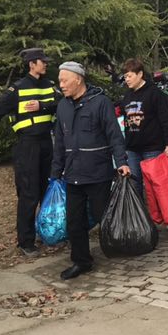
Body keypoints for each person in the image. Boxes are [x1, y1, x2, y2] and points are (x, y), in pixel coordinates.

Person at [0, 48, 57, 257]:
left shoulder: (50, 85)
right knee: (29, 193)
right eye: (42, 61)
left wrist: (42, 105)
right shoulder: (18, 88)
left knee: (46, 190)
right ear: (31, 64)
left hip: (47, 143)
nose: (45, 64)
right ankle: (26, 241)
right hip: (27, 145)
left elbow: (61, 103)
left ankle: (46, 232)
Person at [51, 62, 129, 280]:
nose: (61, 84)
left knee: (105, 215)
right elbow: (59, 142)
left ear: (78, 79)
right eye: (59, 80)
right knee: (74, 222)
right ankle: (81, 261)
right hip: (72, 174)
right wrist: (55, 172)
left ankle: (120, 245)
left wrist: (121, 162)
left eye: (64, 80)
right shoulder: (63, 106)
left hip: (97, 173)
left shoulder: (100, 102)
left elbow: (114, 135)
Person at [119, 58, 168, 198]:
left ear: (140, 74)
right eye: (125, 77)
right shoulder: (127, 96)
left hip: (152, 148)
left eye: (129, 76)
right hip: (132, 148)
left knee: (156, 185)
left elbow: (166, 119)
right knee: (134, 184)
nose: (127, 80)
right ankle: (139, 211)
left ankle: (159, 211)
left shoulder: (154, 93)